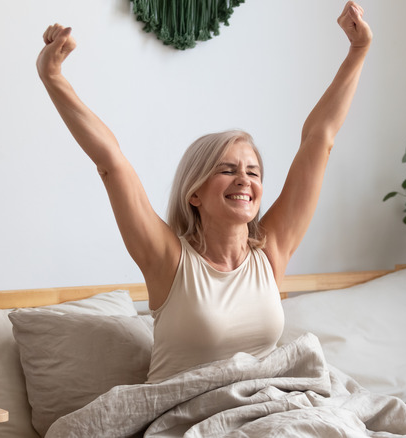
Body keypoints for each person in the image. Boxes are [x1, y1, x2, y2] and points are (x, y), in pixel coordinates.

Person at [37, 1, 372, 383]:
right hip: (186, 413)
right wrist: (53, 77)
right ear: (194, 193)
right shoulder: (168, 259)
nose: (244, 180)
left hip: (267, 407)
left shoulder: (272, 251)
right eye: (227, 170)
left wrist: (357, 52)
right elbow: (111, 163)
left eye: (253, 172)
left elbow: (319, 140)